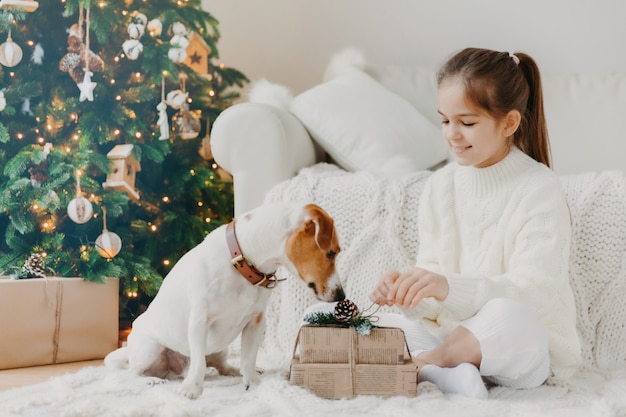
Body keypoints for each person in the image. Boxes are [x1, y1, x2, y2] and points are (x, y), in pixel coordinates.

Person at [368, 48, 582, 399]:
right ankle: (450, 371)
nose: (452, 134)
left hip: (518, 346)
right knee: (335, 318)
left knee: (506, 315)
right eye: (444, 120)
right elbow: (434, 297)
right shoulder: (439, 186)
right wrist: (408, 293)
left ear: (509, 123)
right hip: (449, 333)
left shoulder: (539, 188)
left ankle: (428, 364)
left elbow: (535, 294)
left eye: (467, 123)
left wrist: (448, 286)